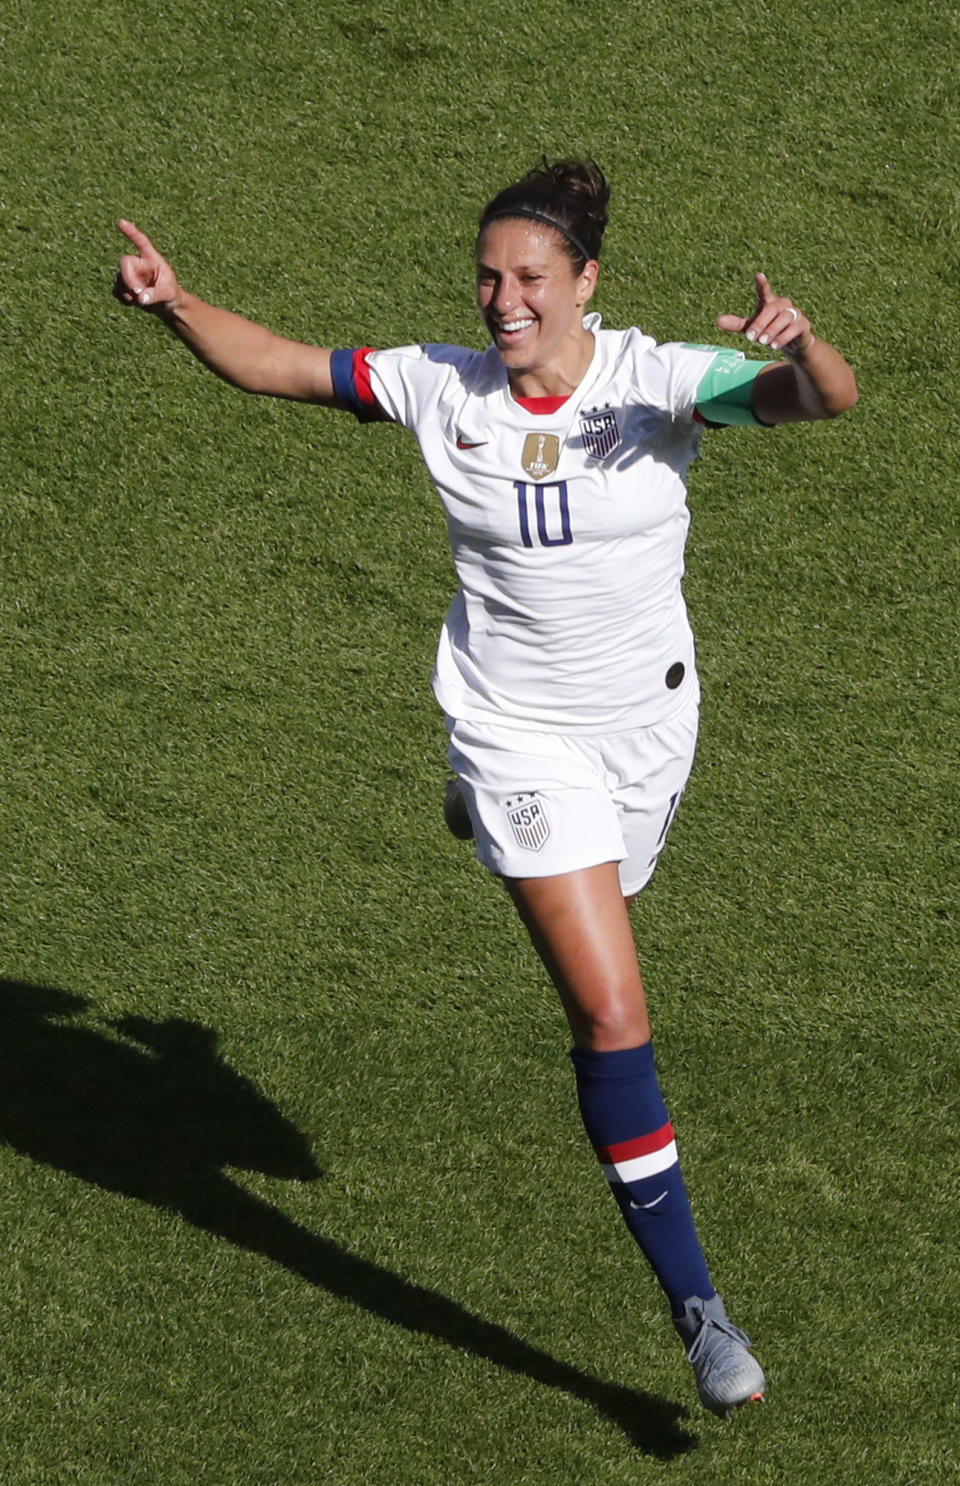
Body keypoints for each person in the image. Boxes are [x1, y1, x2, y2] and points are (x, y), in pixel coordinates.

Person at [114, 159, 858, 1420]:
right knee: (613, 1011)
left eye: (527, 278)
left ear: (585, 284)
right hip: (516, 731)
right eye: (488, 276)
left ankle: (510, 837)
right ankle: (699, 1307)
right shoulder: (438, 385)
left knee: (611, 897)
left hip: (645, 732)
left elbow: (820, 400)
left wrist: (808, 343)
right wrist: (178, 302)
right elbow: (283, 365)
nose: (501, 300)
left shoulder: (657, 382)